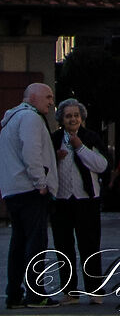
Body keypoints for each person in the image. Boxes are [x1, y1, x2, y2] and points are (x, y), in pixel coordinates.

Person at [0, 82, 58, 309]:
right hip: (29, 190)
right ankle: (36, 294)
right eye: (48, 97)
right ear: (33, 97)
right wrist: (41, 183)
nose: (52, 102)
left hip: (13, 191)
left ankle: (14, 294)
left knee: (19, 242)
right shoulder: (30, 119)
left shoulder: (11, 120)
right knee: (36, 243)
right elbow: (31, 151)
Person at [52, 102, 107, 304]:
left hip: (87, 200)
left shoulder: (91, 137)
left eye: (76, 115)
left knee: (90, 245)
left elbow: (102, 165)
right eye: (68, 116)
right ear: (62, 120)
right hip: (61, 201)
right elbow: (45, 166)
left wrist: (80, 148)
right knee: (63, 247)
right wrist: (55, 158)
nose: (72, 119)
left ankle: (95, 290)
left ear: (81, 118)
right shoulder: (55, 138)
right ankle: (70, 292)